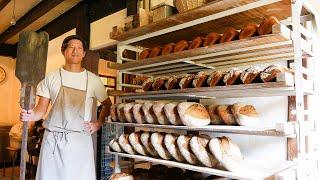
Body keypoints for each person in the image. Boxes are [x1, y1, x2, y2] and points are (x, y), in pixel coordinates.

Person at [20, 35, 112, 180]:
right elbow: (40, 110)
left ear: (83, 54)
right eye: (71, 47)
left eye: (79, 48)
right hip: (53, 142)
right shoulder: (51, 78)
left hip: (80, 142)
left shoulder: (93, 80)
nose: (75, 51)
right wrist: (30, 115)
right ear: (63, 51)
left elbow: (107, 105)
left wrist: (98, 123)